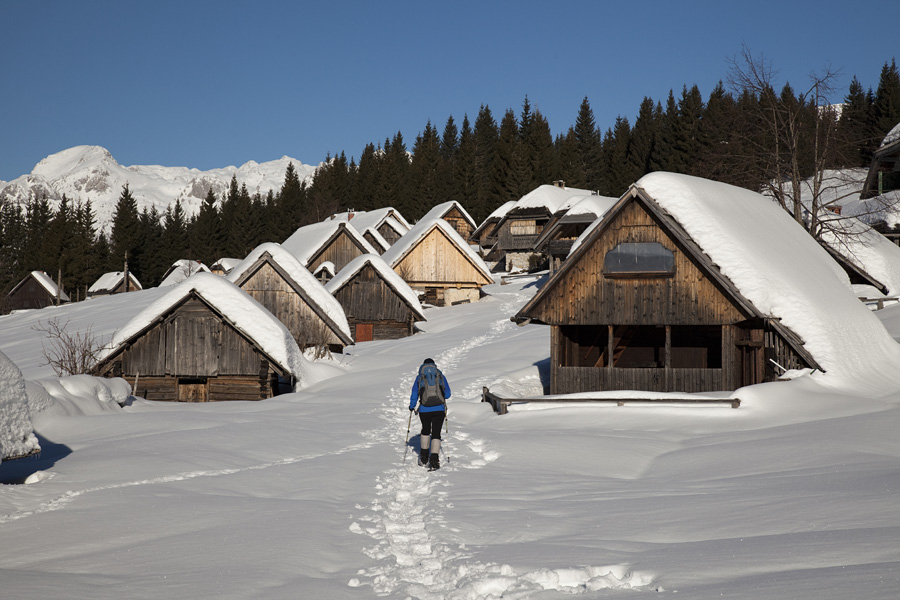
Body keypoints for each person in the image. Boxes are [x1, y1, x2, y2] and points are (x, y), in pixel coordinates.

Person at [409, 358, 451, 469]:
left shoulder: (420, 377)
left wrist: (411, 406)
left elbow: (414, 393)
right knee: (436, 433)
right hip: (439, 409)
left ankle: (423, 457)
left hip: (424, 409)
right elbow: (447, 394)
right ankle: (434, 459)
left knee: (426, 430)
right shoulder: (440, 376)